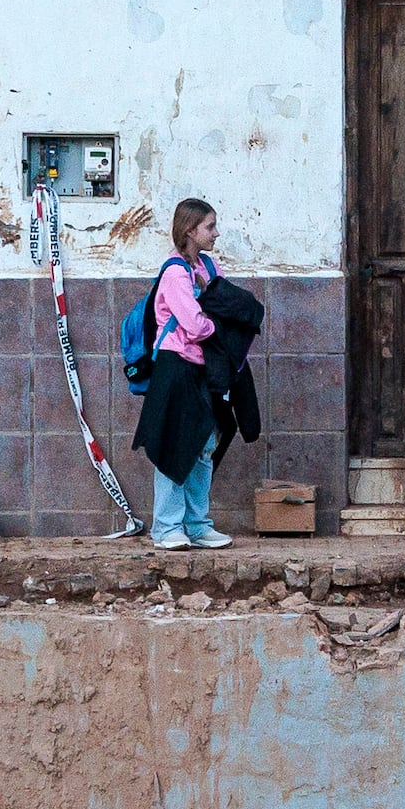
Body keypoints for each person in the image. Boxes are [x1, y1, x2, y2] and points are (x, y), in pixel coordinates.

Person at [134, 197, 260, 549]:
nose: (216, 233)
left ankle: (197, 524)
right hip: (177, 367)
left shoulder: (205, 267)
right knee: (176, 446)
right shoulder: (175, 273)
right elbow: (194, 324)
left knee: (204, 445)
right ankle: (166, 527)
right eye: (210, 227)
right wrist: (220, 326)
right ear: (190, 230)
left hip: (204, 368)